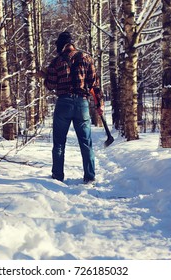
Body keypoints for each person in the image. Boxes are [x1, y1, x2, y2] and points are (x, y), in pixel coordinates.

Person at [39, 31, 104, 184]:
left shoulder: (56, 62)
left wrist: (45, 76)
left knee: (59, 142)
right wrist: (99, 103)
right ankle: (89, 176)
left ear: (61, 45)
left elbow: (51, 85)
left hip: (63, 104)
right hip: (81, 103)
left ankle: (57, 176)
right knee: (85, 142)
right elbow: (94, 84)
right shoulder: (87, 58)